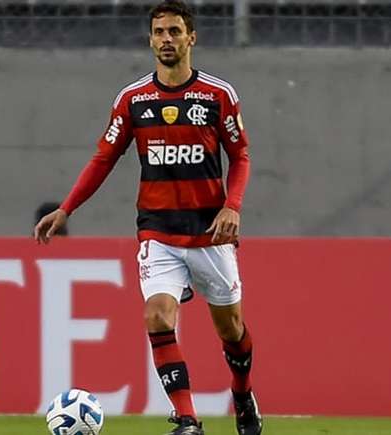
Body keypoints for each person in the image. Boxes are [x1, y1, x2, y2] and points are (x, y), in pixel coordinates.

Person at [34, 1, 261, 434]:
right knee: (157, 316)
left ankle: (242, 392)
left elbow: (241, 156)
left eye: (175, 31)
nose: (166, 39)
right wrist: (66, 208)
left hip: (210, 233)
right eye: (159, 32)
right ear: (150, 38)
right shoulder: (133, 100)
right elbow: (103, 159)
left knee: (232, 331)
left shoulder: (218, 96)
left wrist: (232, 205)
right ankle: (188, 418)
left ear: (191, 38)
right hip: (157, 232)